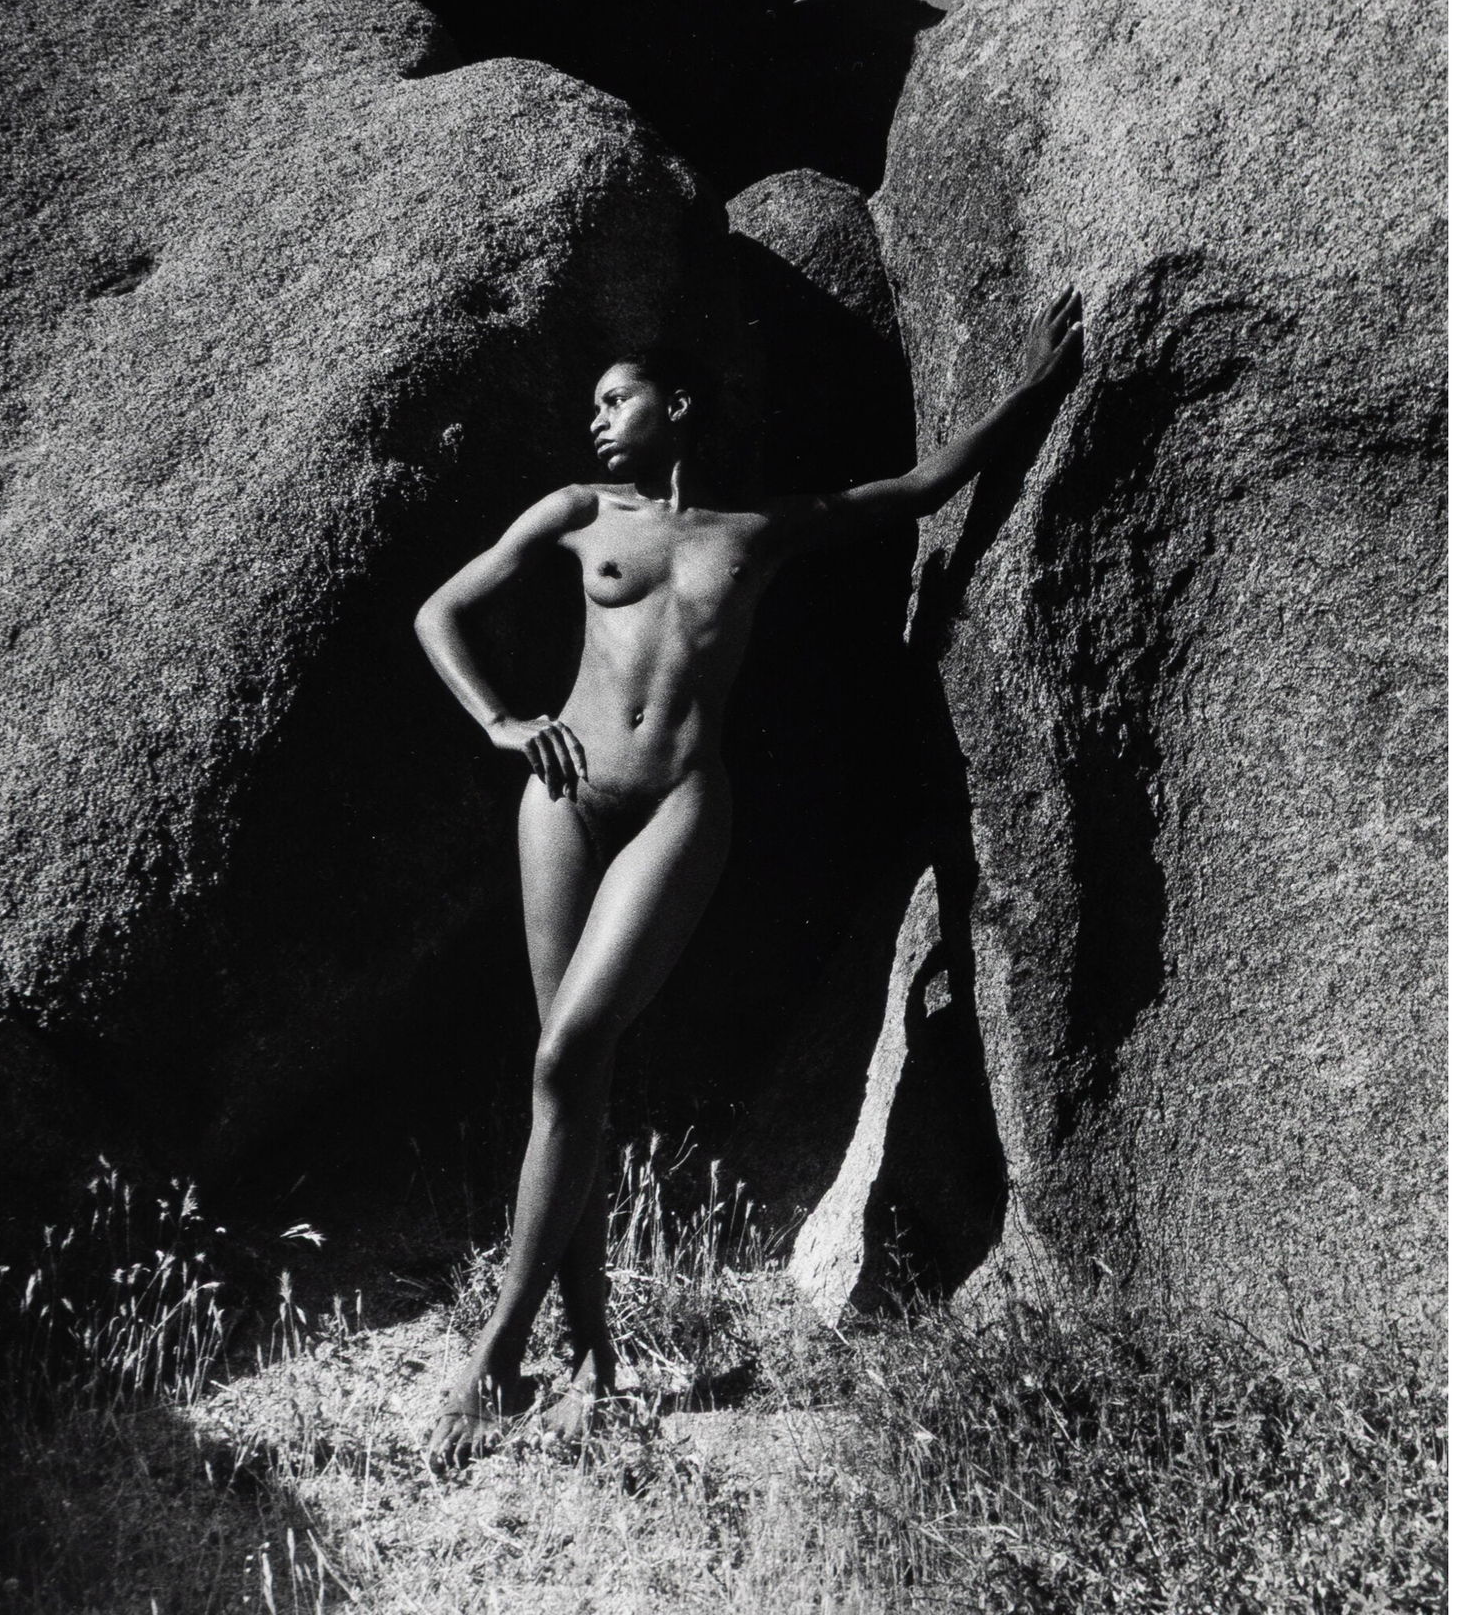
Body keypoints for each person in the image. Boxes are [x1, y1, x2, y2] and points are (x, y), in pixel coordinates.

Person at [414, 287, 1084, 1469]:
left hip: (679, 803)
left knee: (569, 1056)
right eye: (591, 406)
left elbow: (917, 492)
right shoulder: (579, 514)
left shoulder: (755, 531)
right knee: (567, 1073)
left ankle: (493, 1357)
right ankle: (588, 1357)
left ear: (677, 407)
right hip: (562, 800)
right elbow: (440, 613)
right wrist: (499, 723)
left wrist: (1029, 390)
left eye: (614, 401)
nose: (597, 422)